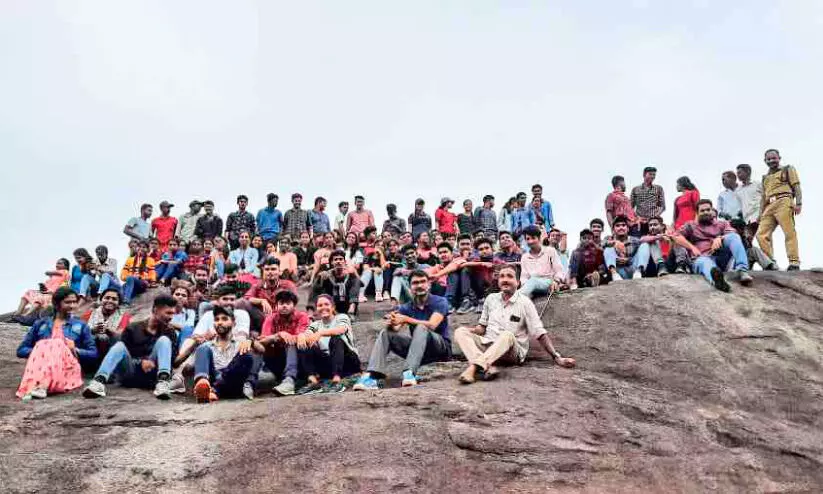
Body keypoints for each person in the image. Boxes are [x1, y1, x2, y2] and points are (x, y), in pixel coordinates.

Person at [455, 264, 576, 384]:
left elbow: (539, 333)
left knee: (507, 335)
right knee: (460, 331)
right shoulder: (491, 299)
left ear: (518, 282)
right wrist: (468, 332)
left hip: (511, 352)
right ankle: (487, 366)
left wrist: (556, 357)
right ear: (498, 281)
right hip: (488, 347)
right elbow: (482, 328)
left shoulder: (525, 303)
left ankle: (473, 368)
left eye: (509, 276)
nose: (505, 280)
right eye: (502, 276)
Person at [354, 270, 451, 390]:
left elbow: (432, 325)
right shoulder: (406, 307)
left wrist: (406, 319)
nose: (419, 285)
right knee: (386, 333)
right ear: (410, 287)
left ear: (429, 284)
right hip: (418, 351)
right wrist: (392, 322)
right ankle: (372, 377)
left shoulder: (440, 301)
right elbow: (396, 328)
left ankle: (409, 373)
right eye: (415, 283)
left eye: (423, 282)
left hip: (440, 348)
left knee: (422, 327)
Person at [82, 294, 178, 399]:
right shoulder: (133, 328)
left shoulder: (170, 332)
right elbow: (123, 356)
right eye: (168, 313)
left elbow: (171, 360)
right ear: (155, 310)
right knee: (119, 346)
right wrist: (141, 362)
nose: (171, 317)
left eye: (173, 314)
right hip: (130, 374)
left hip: (152, 377)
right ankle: (98, 383)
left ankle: (163, 383)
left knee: (164, 340)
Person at [171, 284, 253, 395]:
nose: (229, 302)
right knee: (197, 345)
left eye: (232, 299)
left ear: (234, 322)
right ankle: (184, 378)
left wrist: (248, 340)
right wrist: (206, 337)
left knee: (246, 351)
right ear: (217, 301)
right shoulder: (209, 315)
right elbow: (196, 336)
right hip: (212, 362)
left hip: (232, 362)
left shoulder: (241, 314)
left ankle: (214, 390)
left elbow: (243, 335)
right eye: (225, 299)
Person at [16, 287, 97, 400]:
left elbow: (93, 353)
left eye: (74, 302)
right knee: (46, 344)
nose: (72, 306)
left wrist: (75, 349)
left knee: (57, 343)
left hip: (68, 368)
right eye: (68, 302)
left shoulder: (81, 325)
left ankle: (42, 386)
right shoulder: (40, 324)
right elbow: (21, 350)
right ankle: (39, 386)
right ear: (56, 303)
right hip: (40, 367)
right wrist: (42, 350)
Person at [673, 199, 753, 292]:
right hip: (701, 258)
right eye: (702, 211)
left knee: (733, 237)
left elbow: (732, 233)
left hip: (720, 257)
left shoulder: (721, 224)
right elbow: (676, 236)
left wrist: (720, 238)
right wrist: (692, 247)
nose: (706, 212)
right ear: (697, 213)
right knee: (705, 262)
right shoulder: (691, 225)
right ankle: (718, 281)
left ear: (712, 210)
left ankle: (742, 270)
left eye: (708, 209)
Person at [192, 305, 261, 403]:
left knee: (246, 355)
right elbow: (190, 366)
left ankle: (214, 390)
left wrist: (251, 341)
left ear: (233, 323)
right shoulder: (207, 345)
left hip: (233, 381)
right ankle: (202, 384)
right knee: (202, 348)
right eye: (216, 319)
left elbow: (261, 350)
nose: (219, 322)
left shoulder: (241, 342)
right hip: (212, 378)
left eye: (224, 319)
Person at [296, 294, 362, 394]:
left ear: (333, 307)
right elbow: (307, 334)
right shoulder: (315, 324)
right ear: (316, 309)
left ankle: (337, 381)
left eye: (326, 304)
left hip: (348, 362)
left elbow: (341, 330)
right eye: (320, 305)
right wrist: (301, 336)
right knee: (303, 343)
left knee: (336, 339)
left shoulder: (341, 317)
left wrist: (321, 333)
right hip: (328, 364)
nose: (323, 308)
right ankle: (313, 382)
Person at [258, 290, 311, 396]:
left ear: (294, 305)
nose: (284, 306)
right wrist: (278, 335)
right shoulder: (271, 318)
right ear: (277, 305)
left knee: (291, 342)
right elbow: (262, 340)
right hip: (278, 360)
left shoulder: (302, 316)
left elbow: (303, 336)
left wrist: (289, 337)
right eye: (281, 303)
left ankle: (289, 380)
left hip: (299, 358)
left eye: (288, 303)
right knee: (261, 346)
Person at [756, 149, 802, 270]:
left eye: (774, 158)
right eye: (769, 159)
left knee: (789, 231)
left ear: (779, 158)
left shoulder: (787, 169)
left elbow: (796, 186)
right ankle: (770, 262)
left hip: (784, 200)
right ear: (765, 161)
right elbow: (763, 197)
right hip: (769, 205)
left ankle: (794, 262)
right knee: (761, 234)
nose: (771, 161)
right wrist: (760, 214)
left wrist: (799, 203)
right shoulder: (765, 177)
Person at [603, 216, 661, 280]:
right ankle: (614, 275)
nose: (621, 227)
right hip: (619, 271)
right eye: (617, 226)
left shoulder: (634, 240)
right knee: (608, 249)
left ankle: (638, 272)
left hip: (633, 270)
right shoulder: (608, 239)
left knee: (645, 245)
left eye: (623, 225)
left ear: (628, 229)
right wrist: (615, 243)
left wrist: (628, 260)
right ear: (613, 230)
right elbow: (602, 244)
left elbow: (643, 242)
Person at [519, 226, 565, 299]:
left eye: (533, 238)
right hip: (531, 287)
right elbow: (524, 277)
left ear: (539, 238)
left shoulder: (550, 251)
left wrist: (556, 281)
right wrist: (525, 286)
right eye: (528, 239)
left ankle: (515, 302)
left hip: (549, 284)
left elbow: (559, 270)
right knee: (531, 282)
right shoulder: (524, 257)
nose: (530, 241)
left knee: (533, 281)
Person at [313, 250, 362, 316]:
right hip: (331, 304)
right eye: (335, 259)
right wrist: (321, 278)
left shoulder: (350, 274)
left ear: (344, 262)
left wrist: (354, 273)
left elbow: (361, 284)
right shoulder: (327, 274)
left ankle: (352, 306)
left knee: (356, 280)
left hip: (348, 304)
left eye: (341, 259)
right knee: (320, 279)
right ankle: (311, 311)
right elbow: (317, 290)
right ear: (332, 263)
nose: (338, 261)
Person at [87, 287, 132, 358]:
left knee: (103, 337)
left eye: (114, 299)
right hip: (90, 350)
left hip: (112, 352)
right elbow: (81, 333)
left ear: (119, 303)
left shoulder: (124, 316)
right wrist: (93, 330)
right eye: (107, 298)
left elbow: (122, 336)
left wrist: (108, 330)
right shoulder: (89, 314)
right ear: (101, 300)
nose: (110, 301)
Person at [631, 166, 666, 235]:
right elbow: (630, 207)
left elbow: (662, 206)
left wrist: (654, 216)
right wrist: (638, 218)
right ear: (644, 174)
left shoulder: (659, 188)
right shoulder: (635, 189)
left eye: (654, 175)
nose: (652, 176)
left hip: (654, 223)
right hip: (640, 223)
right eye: (650, 174)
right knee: (639, 241)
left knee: (656, 241)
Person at [735, 164, 762, 241]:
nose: (738, 175)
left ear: (748, 172)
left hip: (759, 218)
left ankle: (767, 253)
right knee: (747, 241)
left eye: (740, 173)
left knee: (763, 239)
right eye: (737, 173)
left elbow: (766, 197)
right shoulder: (738, 190)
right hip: (747, 221)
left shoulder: (758, 184)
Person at [359, 238, 386, 302]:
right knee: (368, 271)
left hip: (380, 284)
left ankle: (378, 294)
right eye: (378, 245)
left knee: (379, 271)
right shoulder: (369, 255)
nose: (380, 246)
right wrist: (374, 269)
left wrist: (381, 254)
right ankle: (360, 294)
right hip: (368, 282)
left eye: (382, 245)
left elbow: (384, 267)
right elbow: (365, 267)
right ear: (374, 246)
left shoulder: (385, 256)